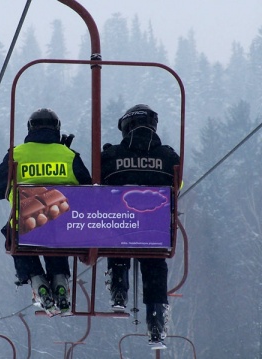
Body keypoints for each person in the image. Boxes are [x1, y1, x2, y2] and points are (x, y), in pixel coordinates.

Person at [0, 108, 91, 315]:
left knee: (15, 235)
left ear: (30, 128)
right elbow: (87, 189)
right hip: (63, 226)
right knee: (56, 230)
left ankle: (37, 280)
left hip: (26, 225)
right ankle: (60, 279)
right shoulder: (69, 155)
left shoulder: (16, 154)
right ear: (57, 129)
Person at [100, 104, 180, 347]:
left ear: (126, 127)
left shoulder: (111, 156)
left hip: (121, 230)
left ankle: (118, 286)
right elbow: (178, 185)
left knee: (116, 237)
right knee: (155, 266)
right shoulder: (168, 157)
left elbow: (96, 185)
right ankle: (156, 320)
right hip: (155, 231)